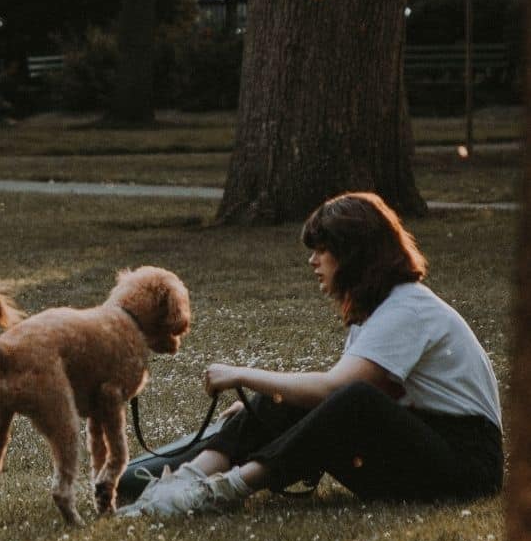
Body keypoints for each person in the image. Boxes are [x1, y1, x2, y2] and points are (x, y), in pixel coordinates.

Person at [116, 191, 503, 518]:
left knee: (343, 397)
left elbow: (339, 392)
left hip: (464, 467)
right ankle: (187, 481)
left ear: (354, 256)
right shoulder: (375, 310)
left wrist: (242, 375)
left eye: (322, 250)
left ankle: (223, 491)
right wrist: (270, 402)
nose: (312, 261)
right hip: (420, 445)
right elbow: (344, 392)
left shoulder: (408, 309)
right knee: (301, 395)